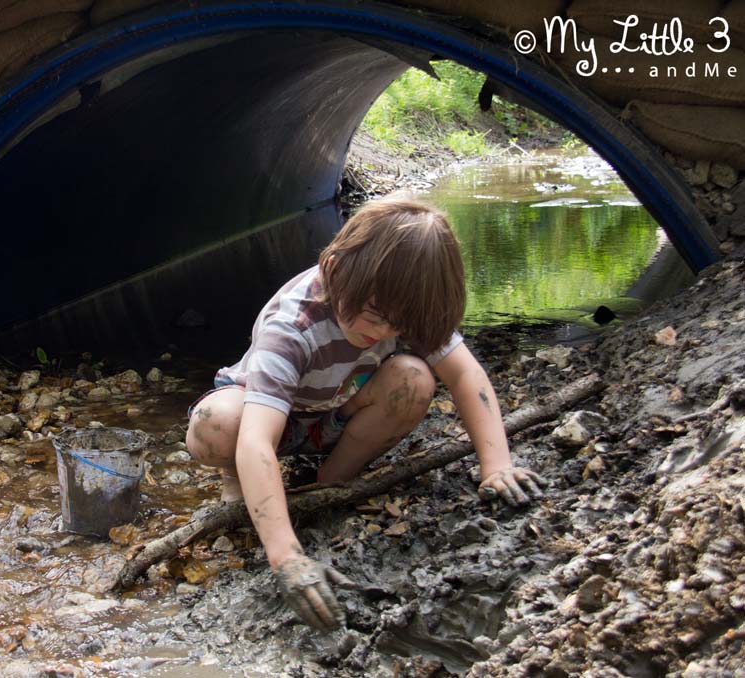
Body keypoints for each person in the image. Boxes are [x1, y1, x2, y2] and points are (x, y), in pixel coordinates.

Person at [185, 197, 546, 633]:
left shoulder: (403, 304)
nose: (383, 331)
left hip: (337, 412)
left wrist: (497, 465)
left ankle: (330, 485)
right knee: (215, 422)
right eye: (375, 316)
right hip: (262, 418)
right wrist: (287, 557)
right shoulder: (293, 326)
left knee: (414, 379)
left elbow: (466, 375)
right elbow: (257, 440)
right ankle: (236, 479)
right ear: (335, 269)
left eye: (398, 324)